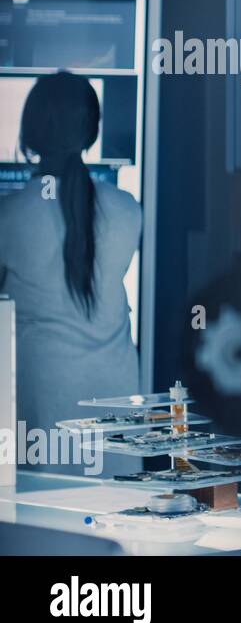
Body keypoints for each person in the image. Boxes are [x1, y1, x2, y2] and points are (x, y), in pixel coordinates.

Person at [0, 72, 142, 467]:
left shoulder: (8, 217)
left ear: (31, 132)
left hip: (44, 409)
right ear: (90, 133)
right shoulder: (128, 209)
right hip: (118, 407)